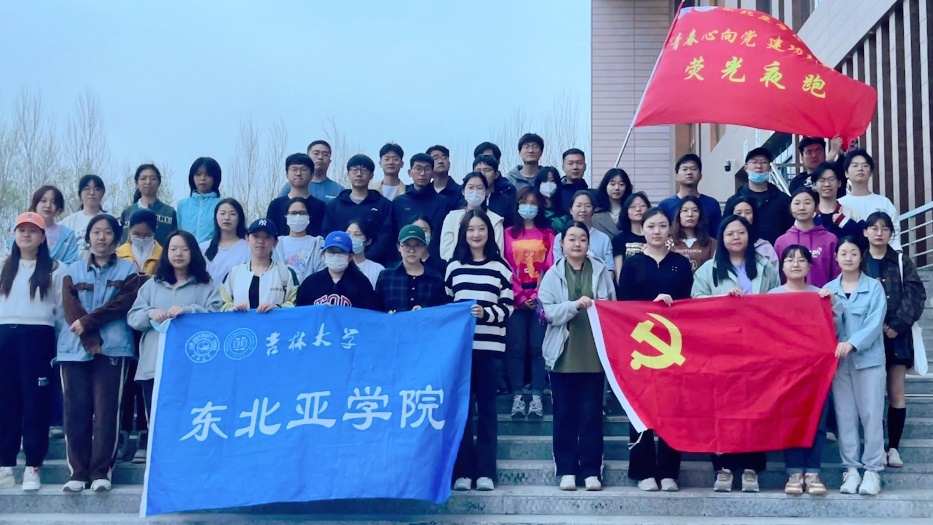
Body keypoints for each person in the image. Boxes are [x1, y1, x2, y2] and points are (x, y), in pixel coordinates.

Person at [692, 215, 779, 492]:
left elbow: (778, 302)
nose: (736, 238)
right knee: (721, 409)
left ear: (749, 236)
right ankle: (724, 467)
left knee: (756, 408)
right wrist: (722, 300)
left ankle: (751, 468)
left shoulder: (765, 267)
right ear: (722, 237)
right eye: (730, 233)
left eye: (741, 232)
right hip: (721, 350)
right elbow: (695, 303)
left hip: (758, 348)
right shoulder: (708, 270)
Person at [57, 214, 142, 492]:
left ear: (116, 238)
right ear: (88, 236)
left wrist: (88, 325)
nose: (101, 237)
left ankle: (101, 472)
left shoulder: (128, 270)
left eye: (107, 232)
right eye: (96, 232)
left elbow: (122, 304)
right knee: (75, 412)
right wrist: (89, 336)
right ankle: (78, 473)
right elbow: (70, 309)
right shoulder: (72, 270)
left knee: (107, 412)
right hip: (73, 351)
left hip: (113, 349)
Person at [127, 230, 222, 465]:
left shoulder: (206, 286)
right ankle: (161, 466)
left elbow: (217, 317)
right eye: (173, 249)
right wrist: (151, 313)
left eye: (184, 249)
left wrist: (190, 311)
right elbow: (133, 317)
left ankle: (189, 463)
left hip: (192, 368)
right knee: (158, 420)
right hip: (154, 365)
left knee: (189, 417)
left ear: (193, 253)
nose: (178, 254)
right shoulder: (152, 285)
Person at [617, 209, 691, 492]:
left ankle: (669, 472)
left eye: (662, 226)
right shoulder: (633, 264)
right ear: (643, 229)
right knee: (641, 406)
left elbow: (691, 305)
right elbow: (623, 305)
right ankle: (643, 471)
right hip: (641, 346)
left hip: (674, 347)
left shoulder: (680, 264)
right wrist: (651, 304)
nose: (657, 231)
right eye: (651, 226)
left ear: (670, 229)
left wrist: (674, 304)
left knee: (673, 408)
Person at [539, 221, 616, 492]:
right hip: (562, 355)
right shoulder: (552, 274)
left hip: (594, 354)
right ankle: (567, 470)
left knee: (591, 415)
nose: (577, 244)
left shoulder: (600, 271)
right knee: (564, 415)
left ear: (588, 243)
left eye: (582, 239)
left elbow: (612, 306)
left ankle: (592, 470)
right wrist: (574, 306)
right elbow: (548, 312)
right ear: (562, 244)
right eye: (571, 239)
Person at [446, 210, 514, 492]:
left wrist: (486, 313)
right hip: (460, 352)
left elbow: (508, 308)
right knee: (461, 411)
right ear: (463, 233)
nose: (476, 234)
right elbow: (446, 307)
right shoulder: (453, 267)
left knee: (487, 411)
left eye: (481, 229)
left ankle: (486, 471)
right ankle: (463, 471)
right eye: (471, 229)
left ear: (489, 232)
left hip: (490, 350)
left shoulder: (501, 268)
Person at [0, 212, 67, 491]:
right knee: (6, 401)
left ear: (42, 237)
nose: (26, 235)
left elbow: (62, 312)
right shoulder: (4, 266)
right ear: (14, 235)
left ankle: (33, 466)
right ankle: (5, 465)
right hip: (5, 336)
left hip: (38, 337)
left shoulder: (56, 269)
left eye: (32, 230)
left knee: (35, 402)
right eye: (21, 230)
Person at [821, 237, 887, 495]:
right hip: (839, 365)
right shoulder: (828, 289)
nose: (848, 258)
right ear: (836, 257)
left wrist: (852, 343)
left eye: (854, 253)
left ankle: (873, 470)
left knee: (871, 415)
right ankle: (851, 469)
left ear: (861, 257)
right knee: (845, 416)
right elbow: (825, 325)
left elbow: (874, 323)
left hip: (869, 361)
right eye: (843, 253)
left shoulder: (874, 287)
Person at [862, 212, 926, 469]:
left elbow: (916, 294)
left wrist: (897, 325)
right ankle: (876, 447)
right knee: (873, 394)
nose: (879, 233)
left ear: (891, 233)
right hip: (867, 337)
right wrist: (872, 328)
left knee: (896, 392)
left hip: (897, 336)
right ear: (865, 232)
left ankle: (894, 448)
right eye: (874, 228)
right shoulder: (859, 260)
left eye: (885, 228)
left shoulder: (901, 260)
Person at [770, 245, 829, 495]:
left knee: (817, 420)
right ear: (782, 266)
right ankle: (794, 471)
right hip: (784, 371)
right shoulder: (771, 296)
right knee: (790, 419)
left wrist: (831, 304)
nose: (796, 264)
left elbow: (834, 328)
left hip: (817, 371)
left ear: (809, 266)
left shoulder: (820, 295)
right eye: (790, 260)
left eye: (802, 260)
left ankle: (813, 472)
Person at [503, 187, 555, 419]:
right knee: (515, 348)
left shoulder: (548, 234)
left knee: (538, 348)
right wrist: (520, 297)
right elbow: (504, 266)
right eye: (524, 202)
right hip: (515, 299)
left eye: (534, 203)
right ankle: (517, 395)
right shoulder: (507, 233)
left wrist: (536, 295)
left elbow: (551, 267)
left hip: (540, 299)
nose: (529, 207)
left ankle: (536, 395)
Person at [321, 154, 394, 265]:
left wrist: (365, 260)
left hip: (374, 263)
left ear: (371, 175)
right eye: (354, 170)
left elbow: (385, 236)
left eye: (363, 170)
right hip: (340, 262)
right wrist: (342, 255)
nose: (359, 174)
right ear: (348, 174)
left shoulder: (383, 204)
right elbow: (328, 233)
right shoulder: (335, 205)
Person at [220, 219, 299, 312]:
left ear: (275, 242)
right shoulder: (234, 274)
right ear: (247, 239)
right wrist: (232, 309)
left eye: (267, 237)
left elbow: (294, 304)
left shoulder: (286, 273)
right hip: (240, 322)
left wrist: (278, 309)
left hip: (275, 322)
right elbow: (223, 303)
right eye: (256, 236)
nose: (261, 241)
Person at [724, 147, 793, 245]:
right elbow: (725, 231)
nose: (759, 166)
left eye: (764, 162)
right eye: (754, 162)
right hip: (742, 252)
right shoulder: (734, 201)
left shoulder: (783, 200)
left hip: (776, 252)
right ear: (746, 168)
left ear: (769, 168)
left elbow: (790, 230)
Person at [773, 188, 840, 287]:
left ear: (816, 207)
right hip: (789, 295)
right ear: (790, 207)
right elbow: (777, 277)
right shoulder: (782, 242)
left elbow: (837, 274)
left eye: (807, 203)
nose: (802, 208)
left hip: (823, 294)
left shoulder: (830, 240)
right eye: (797, 203)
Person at [374, 225, 448, 313]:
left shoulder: (435, 278)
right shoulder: (386, 276)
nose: (412, 250)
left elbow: (441, 311)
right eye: (407, 245)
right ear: (399, 247)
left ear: (424, 247)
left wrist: (424, 311)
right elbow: (376, 310)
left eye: (417, 245)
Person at [391, 154, 452, 260]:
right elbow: (393, 234)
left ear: (433, 173)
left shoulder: (443, 202)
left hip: (435, 261)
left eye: (427, 169)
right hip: (404, 260)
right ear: (409, 172)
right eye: (418, 169)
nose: (422, 173)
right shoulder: (399, 202)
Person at [296, 231, 378, 309]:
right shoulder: (311, 283)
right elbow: (301, 312)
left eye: (341, 252)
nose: (336, 256)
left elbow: (368, 313)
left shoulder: (361, 283)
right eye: (331, 252)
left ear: (350, 256)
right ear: (324, 254)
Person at [838, 148, 901, 250]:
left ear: (871, 172)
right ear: (846, 173)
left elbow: (894, 234)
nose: (860, 168)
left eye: (865, 165)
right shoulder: (840, 204)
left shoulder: (884, 202)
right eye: (855, 165)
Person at [440, 172, 505, 261]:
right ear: (463, 191)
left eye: (480, 188)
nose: (475, 192)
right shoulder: (452, 218)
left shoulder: (496, 220)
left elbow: (497, 252)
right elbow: (446, 251)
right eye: (471, 188)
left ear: (486, 191)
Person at [658, 154, 722, 238]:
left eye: (693, 169)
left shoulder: (712, 204)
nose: (689, 173)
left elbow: (717, 235)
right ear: (676, 176)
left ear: (700, 176)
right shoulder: (665, 205)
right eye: (684, 169)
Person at [266, 153, 326, 238]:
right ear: (287, 174)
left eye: (303, 170)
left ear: (312, 175)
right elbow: (269, 234)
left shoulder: (320, 206)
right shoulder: (276, 205)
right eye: (294, 170)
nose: (298, 173)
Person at [554, 191, 613, 273]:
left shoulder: (604, 239)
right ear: (571, 210)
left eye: (587, 206)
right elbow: (557, 267)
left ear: (593, 210)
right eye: (578, 205)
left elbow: (609, 269)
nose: (583, 210)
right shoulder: (560, 238)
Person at [119, 164, 178, 245]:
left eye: (153, 179)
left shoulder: (169, 212)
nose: (148, 182)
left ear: (159, 183)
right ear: (137, 183)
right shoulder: (127, 212)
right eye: (143, 178)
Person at [272, 198, 324, 283]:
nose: (297, 217)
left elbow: (321, 271)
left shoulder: (318, 243)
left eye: (302, 213)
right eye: (293, 213)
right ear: (286, 216)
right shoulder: (276, 243)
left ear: (309, 216)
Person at [199, 198, 250, 285]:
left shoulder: (248, 248)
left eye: (232, 214)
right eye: (222, 213)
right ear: (216, 217)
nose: (227, 218)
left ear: (239, 218)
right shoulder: (203, 248)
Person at [23, 185, 78, 264]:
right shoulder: (21, 231)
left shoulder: (68, 236)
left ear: (59, 208)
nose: (48, 205)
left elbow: (71, 264)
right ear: (35, 204)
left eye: (53, 202)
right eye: (43, 201)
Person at [60, 174, 110, 261]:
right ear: (80, 194)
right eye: (87, 188)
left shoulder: (112, 220)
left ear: (102, 194)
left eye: (97, 189)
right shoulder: (67, 223)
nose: (92, 193)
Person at [277, 140, 344, 202]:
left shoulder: (339, 190)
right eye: (316, 153)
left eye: (325, 154)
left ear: (330, 161)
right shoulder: (291, 187)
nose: (320, 157)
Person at [810, 161, 862, 241]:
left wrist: (845, 222)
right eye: (822, 180)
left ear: (839, 183)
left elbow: (862, 240)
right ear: (814, 185)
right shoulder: (809, 214)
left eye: (831, 179)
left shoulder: (851, 213)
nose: (827, 184)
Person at [177, 157, 222, 243]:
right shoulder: (182, 205)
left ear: (215, 178)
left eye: (208, 175)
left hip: (213, 250)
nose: (203, 178)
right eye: (198, 174)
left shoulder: (222, 205)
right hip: (188, 250)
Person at [729, 196, 779, 273]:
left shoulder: (765, 248)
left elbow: (774, 276)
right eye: (738, 213)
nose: (743, 216)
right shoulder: (724, 245)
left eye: (748, 212)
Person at [670, 195, 717, 272]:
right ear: (679, 215)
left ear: (700, 215)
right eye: (685, 210)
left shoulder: (712, 243)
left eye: (695, 210)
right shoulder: (668, 243)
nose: (690, 214)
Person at [611, 192, 651, 278]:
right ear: (626, 211)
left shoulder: (654, 237)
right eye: (633, 207)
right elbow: (619, 272)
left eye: (642, 206)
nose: (638, 209)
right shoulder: (619, 239)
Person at [474, 154, 517, 227]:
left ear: (496, 174)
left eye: (487, 170)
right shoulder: (467, 200)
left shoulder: (506, 202)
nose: (482, 174)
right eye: (478, 170)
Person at [116, 209, 162, 276]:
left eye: (147, 235)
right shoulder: (119, 254)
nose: (141, 238)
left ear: (154, 232)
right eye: (136, 234)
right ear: (130, 229)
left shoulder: (162, 255)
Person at [591, 168, 633, 239]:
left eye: (621, 184)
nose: (617, 188)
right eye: (612, 184)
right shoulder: (595, 213)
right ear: (605, 186)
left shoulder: (632, 211)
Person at [346, 219, 384, 288]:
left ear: (368, 241)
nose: (351, 238)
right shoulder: (337, 265)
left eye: (357, 235)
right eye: (348, 234)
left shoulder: (377, 270)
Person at [533, 167, 569, 232]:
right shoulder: (533, 211)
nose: (548, 184)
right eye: (544, 181)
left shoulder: (564, 215)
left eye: (552, 181)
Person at [558, 149, 589, 217]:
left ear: (585, 166)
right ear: (563, 167)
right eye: (570, 163)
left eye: (579, 163)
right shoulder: (556, 193)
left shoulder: (592, 194)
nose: (575, 167)